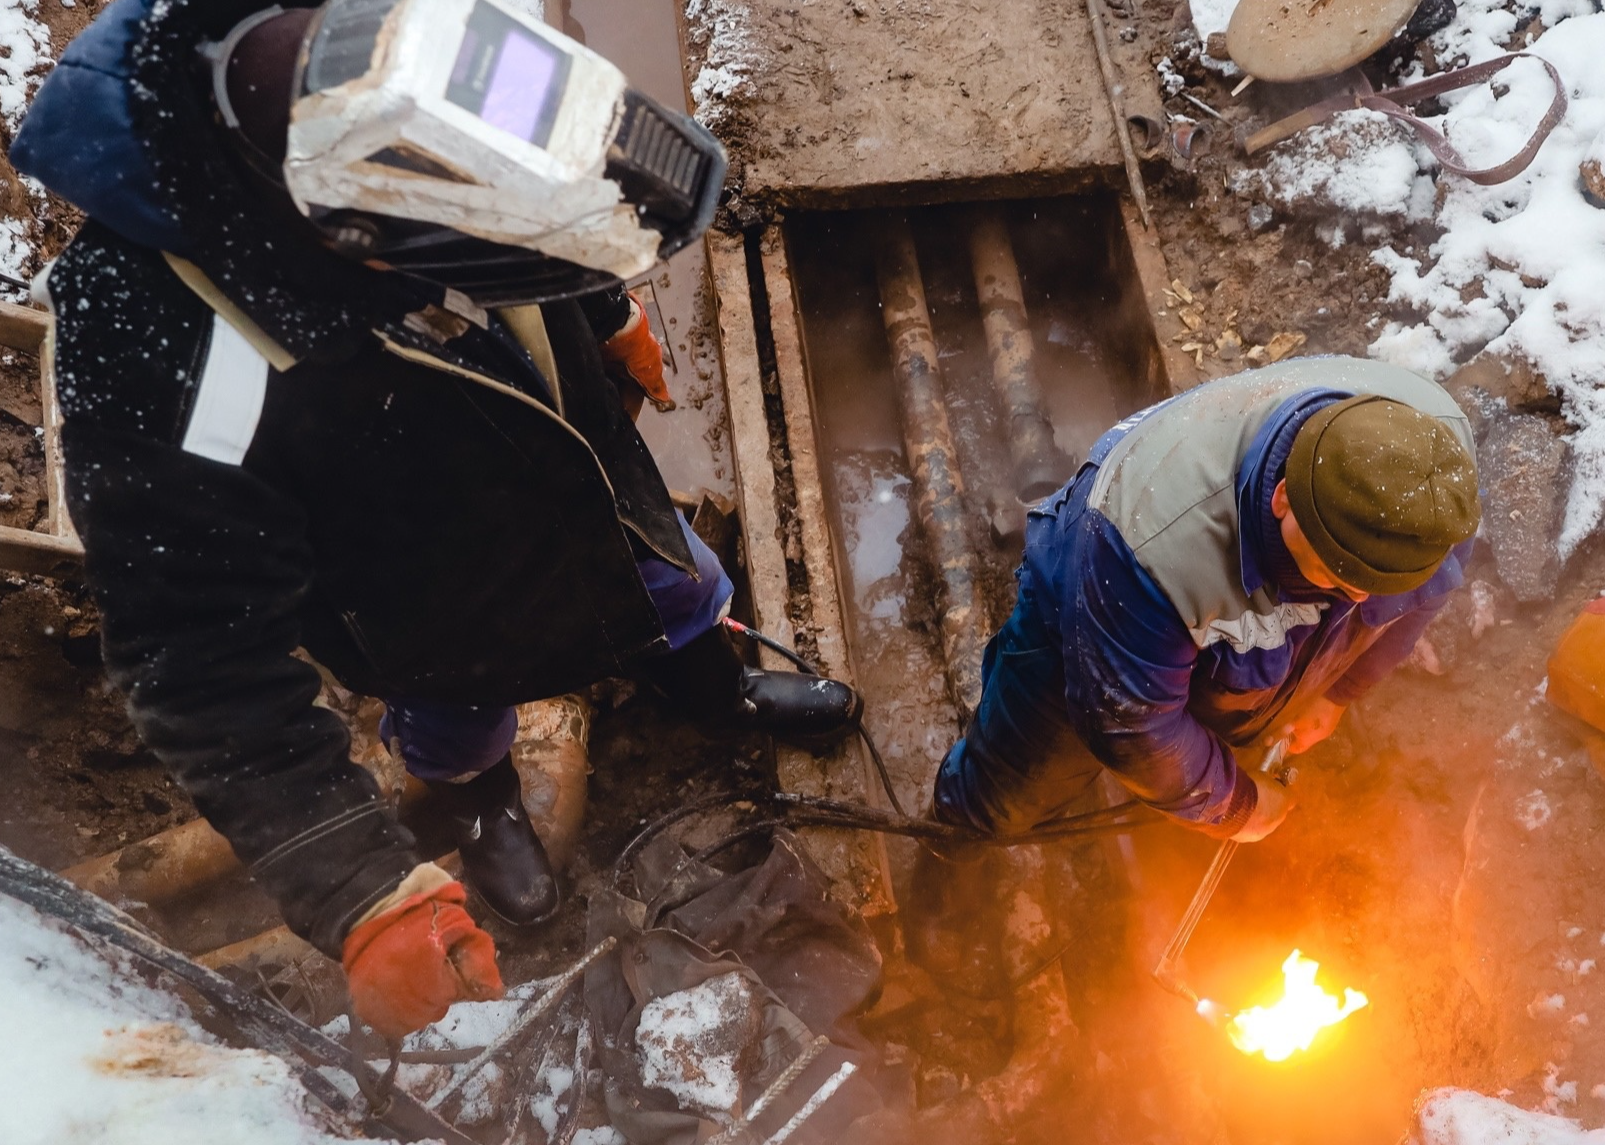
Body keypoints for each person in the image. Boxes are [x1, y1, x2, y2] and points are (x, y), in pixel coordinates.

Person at [12, 0, 860, 1037]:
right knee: (457, 721)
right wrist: (357, 890)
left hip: (576, 473)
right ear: (365, 243)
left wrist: (600, 312)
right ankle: (483, 801)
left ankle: (714, 683)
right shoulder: (156, 342)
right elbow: (199, 661)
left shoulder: (386, 44)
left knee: (677, 583)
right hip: (429, 600)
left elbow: (516, 175)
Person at [916, 356, 1481, 985]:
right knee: (1012, 788)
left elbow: (1418, 602)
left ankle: (1184, 799)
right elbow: (1129, 724)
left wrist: (1340, 691)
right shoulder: (1147, 546)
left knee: (1212, 732)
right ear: (1284, 497)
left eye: (1369, 587)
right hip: (1086, 610)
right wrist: (1236, 806)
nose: (1352, 601)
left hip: (1230, 637)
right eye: (1334, 576)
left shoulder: (1433, 487)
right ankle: (948, 859)